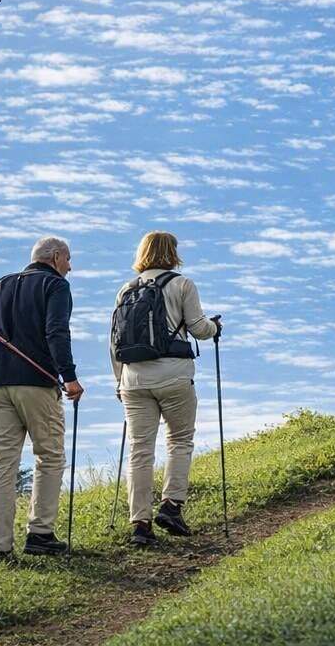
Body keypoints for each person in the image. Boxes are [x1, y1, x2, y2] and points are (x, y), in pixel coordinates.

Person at [0, 236, 84, 561]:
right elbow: (57, 331)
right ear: (55, 257)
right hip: (35, 381)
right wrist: (69, 376)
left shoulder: (1, 284)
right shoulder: (56, 286)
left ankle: (0, 547)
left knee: (1, 462)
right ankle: (40, 533)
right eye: (68, 259)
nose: (70, 267)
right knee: (49, 455)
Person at [111, 231, 220, 548]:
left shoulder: (126, 289)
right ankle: (171, 506)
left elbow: (114, 343)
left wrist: (119, 381)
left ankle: (140, 525)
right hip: (173, 375)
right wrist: (215, 327)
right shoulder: (182, 284)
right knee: (180, 440)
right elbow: (198, 328)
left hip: (133, 379)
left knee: (139, 450)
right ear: (172, 253)